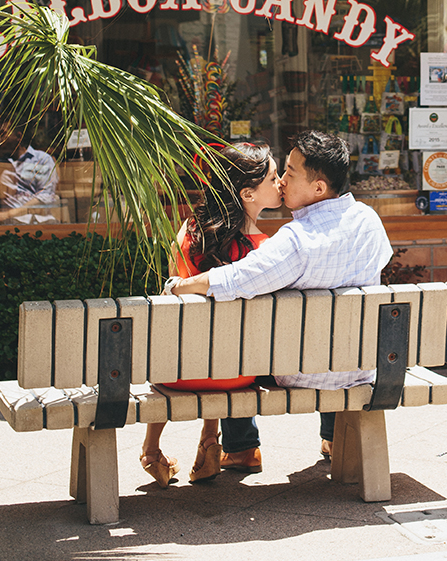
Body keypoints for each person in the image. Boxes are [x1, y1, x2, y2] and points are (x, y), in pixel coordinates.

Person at [165, 130, 392, 462]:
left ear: (318, 188)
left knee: (241, 336)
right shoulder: (369, 222)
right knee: (333, 337)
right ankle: (333, 438)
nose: (282, 181)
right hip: (360, 366)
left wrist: (180, 286)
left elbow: (236, 279)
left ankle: (241, 446)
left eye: (290, 172)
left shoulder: (297, 241)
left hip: (302, 369)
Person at [138, 141, 282, 487]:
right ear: (248, 194)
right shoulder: (267, 250)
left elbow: (174, 302)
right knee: (227, 346)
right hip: (236, 375)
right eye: (274, 177)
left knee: (185, 339)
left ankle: (151, 449)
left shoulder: (189, 233)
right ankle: (209, 442)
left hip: (177, 374)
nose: (281, 184)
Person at [0, 123, 59, 224]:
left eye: (3, 134)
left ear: (19, 137)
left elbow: (45, 196)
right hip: (8, 225)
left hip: (39, 222)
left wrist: (10, 214)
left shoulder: (42, 159)